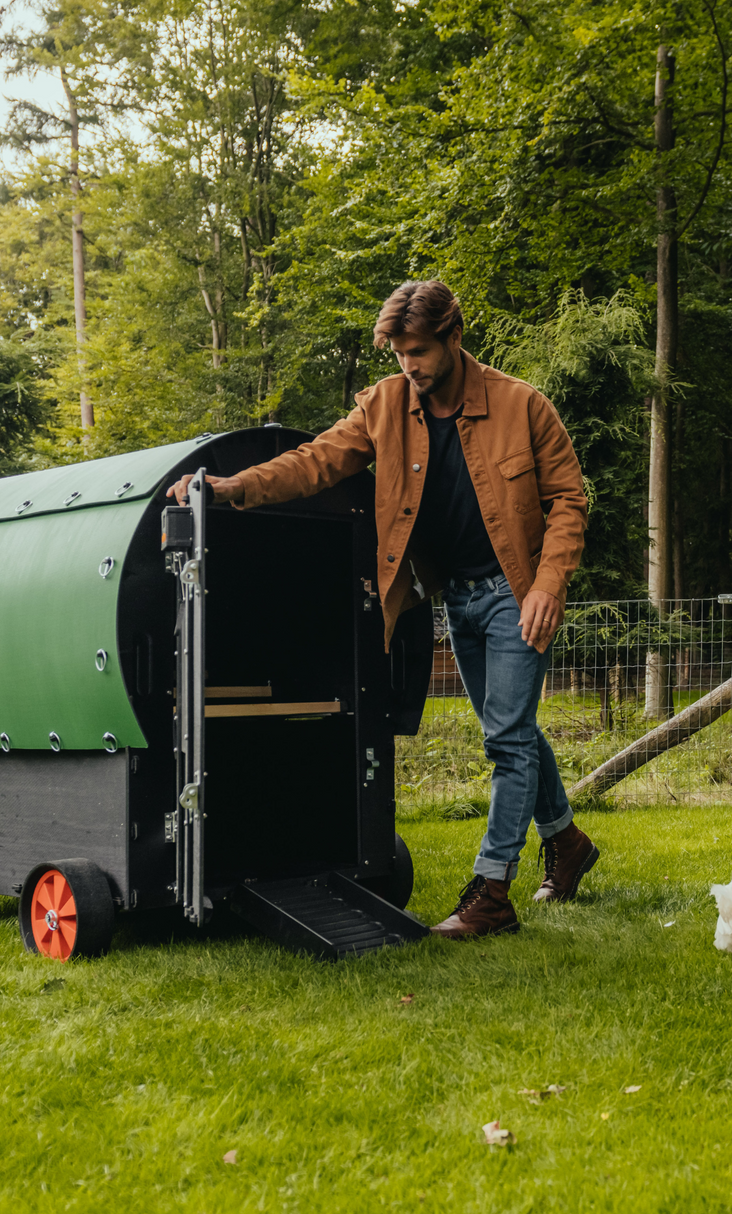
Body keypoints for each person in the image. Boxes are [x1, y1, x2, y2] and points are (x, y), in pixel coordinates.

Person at [167, 280, 598, 938]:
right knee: (515, 731)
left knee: (507, 741)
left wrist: (549, 584)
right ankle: (567, 844)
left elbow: (569, 499)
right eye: (398, 353)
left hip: (518, 594)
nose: (409, 366)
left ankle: (492, 892)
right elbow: (316, 462)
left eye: (419, 351)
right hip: (458, 598)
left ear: (454, 339)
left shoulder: (523, 407)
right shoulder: (386, 406)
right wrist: (232, 489)